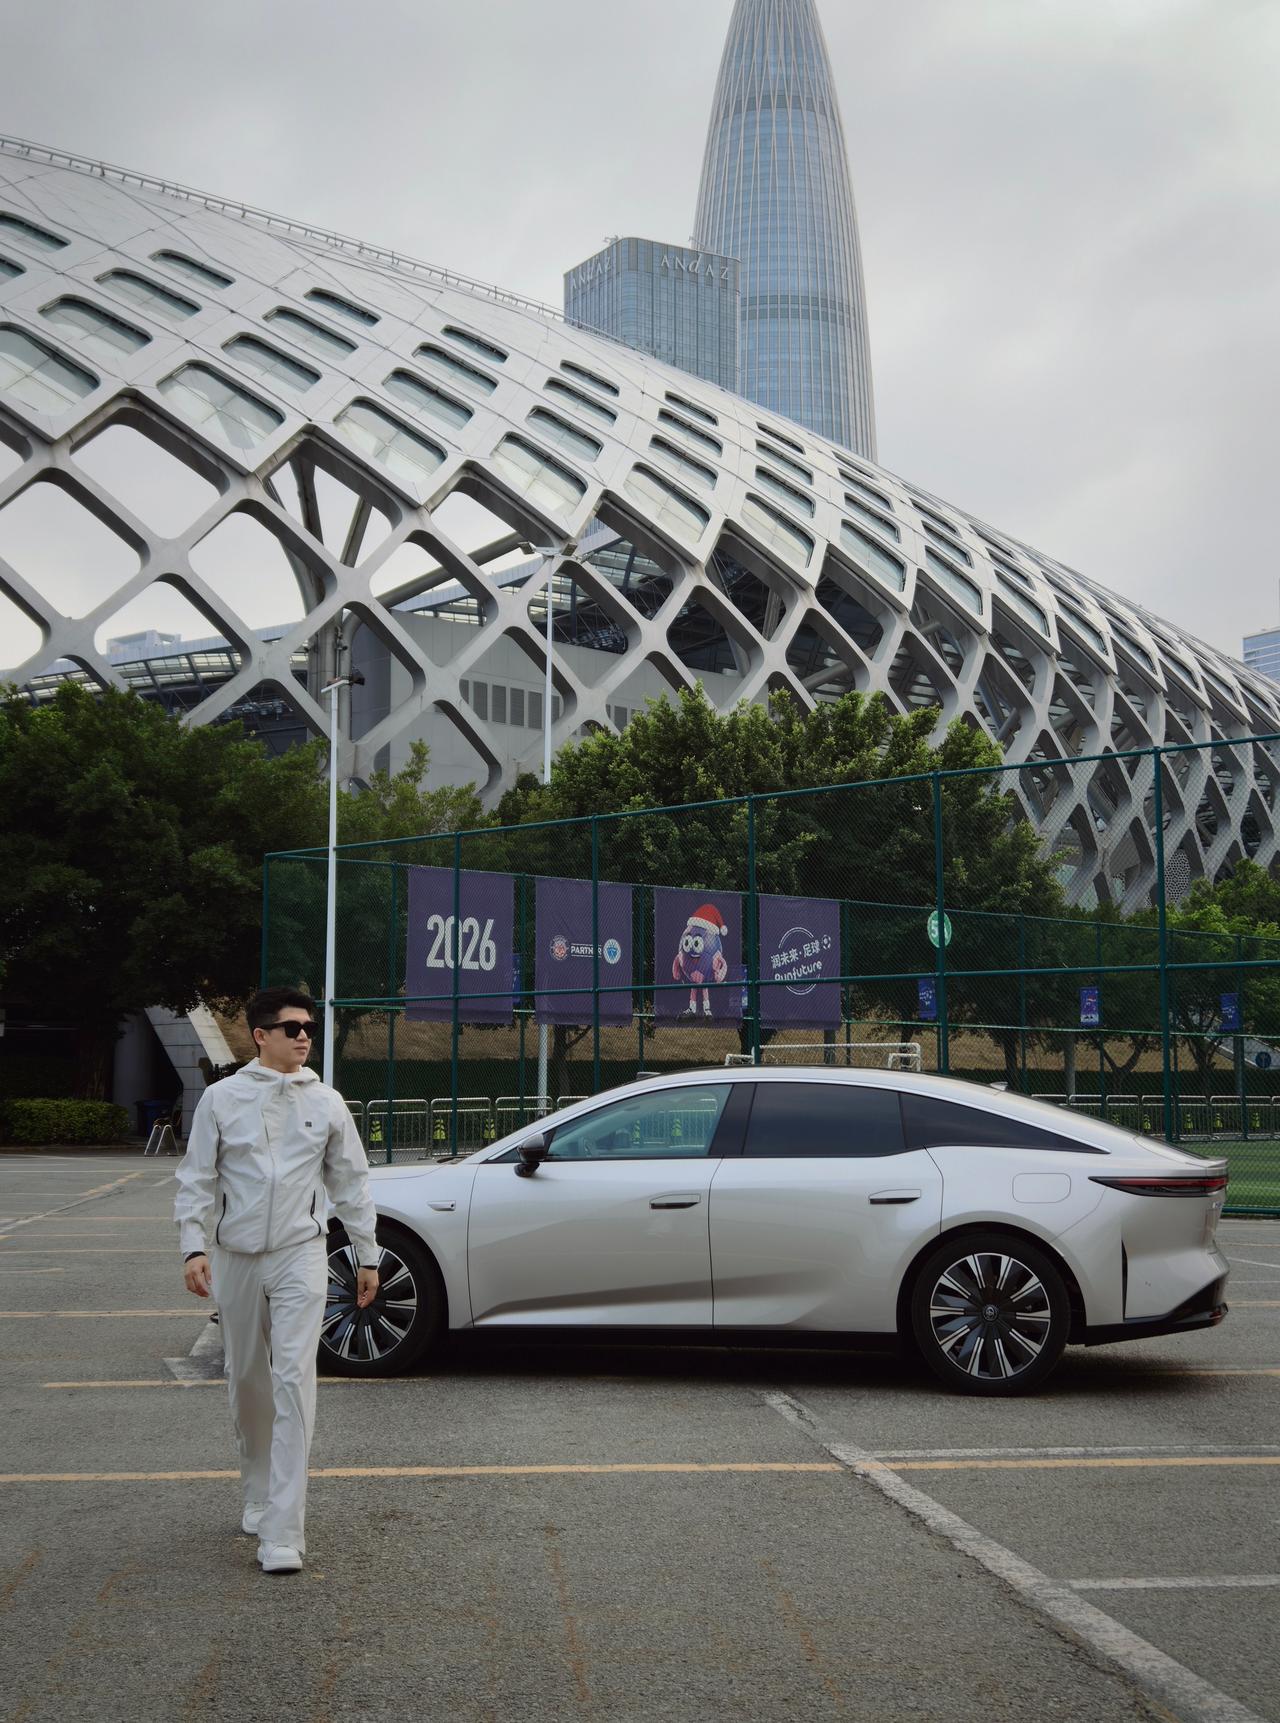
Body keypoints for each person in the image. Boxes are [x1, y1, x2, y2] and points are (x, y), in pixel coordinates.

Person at [174, 987, 380, 1575]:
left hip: (301, 1255)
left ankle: (284, 1531)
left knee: (293, 1381)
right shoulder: (221, 1099)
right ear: (260, 1036)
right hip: (236, 1257)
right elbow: (196, 1177)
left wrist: (367, 1255)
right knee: (246, 1380)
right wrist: (193, 1246)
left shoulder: (328, 1102)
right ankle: (259, 1494)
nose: (304, 1036)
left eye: (308, 1027)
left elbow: (352, 1183)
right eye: (292, 1028)